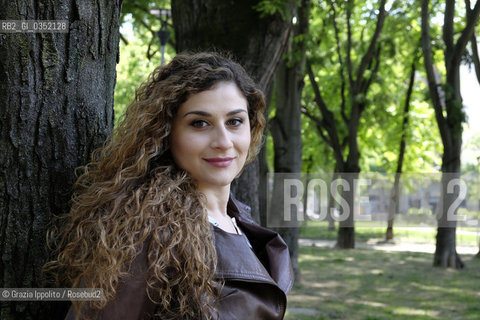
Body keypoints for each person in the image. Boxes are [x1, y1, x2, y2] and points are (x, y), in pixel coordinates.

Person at [45, 52, 293, 319]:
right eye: (200, 123)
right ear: (165, 133)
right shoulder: (148, 232)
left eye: (234, 121)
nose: (223, 141)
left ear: (251, 126)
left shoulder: (237, 218)